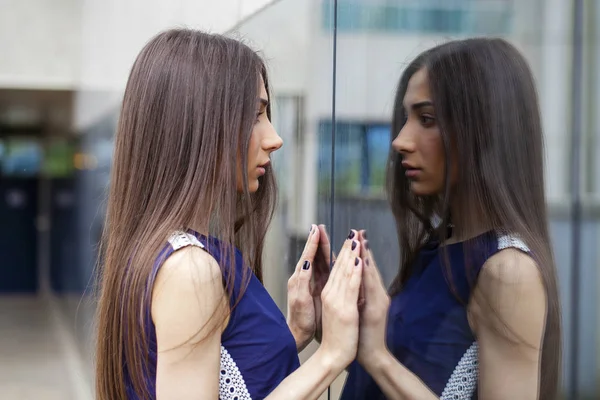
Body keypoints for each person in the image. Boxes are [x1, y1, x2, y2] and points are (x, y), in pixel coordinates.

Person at [94, 28, 364, 400]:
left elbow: (222, 374)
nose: (274, 138)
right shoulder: (191, 269)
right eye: (255, 115)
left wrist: (293, 334)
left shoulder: (171, 253)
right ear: (195, 124)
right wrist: (331, 356)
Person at [341, 38, 562, 399]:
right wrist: (337, 327)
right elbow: (405, 373)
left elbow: (387, 366)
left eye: (426, 119)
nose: (399, 141)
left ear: (485, 128)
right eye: (407, 117)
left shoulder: (508, 271)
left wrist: (378, 358)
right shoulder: (438, 251)